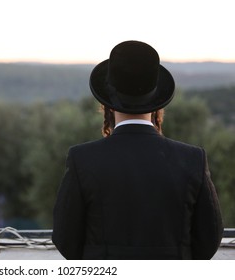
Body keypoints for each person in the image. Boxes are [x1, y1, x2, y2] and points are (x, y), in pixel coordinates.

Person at [52, 40, 223, 260]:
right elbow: (209, 239)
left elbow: (66, 238)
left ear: (108, 104)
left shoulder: (82, 159)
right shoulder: (192, 159)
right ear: (157, 103)